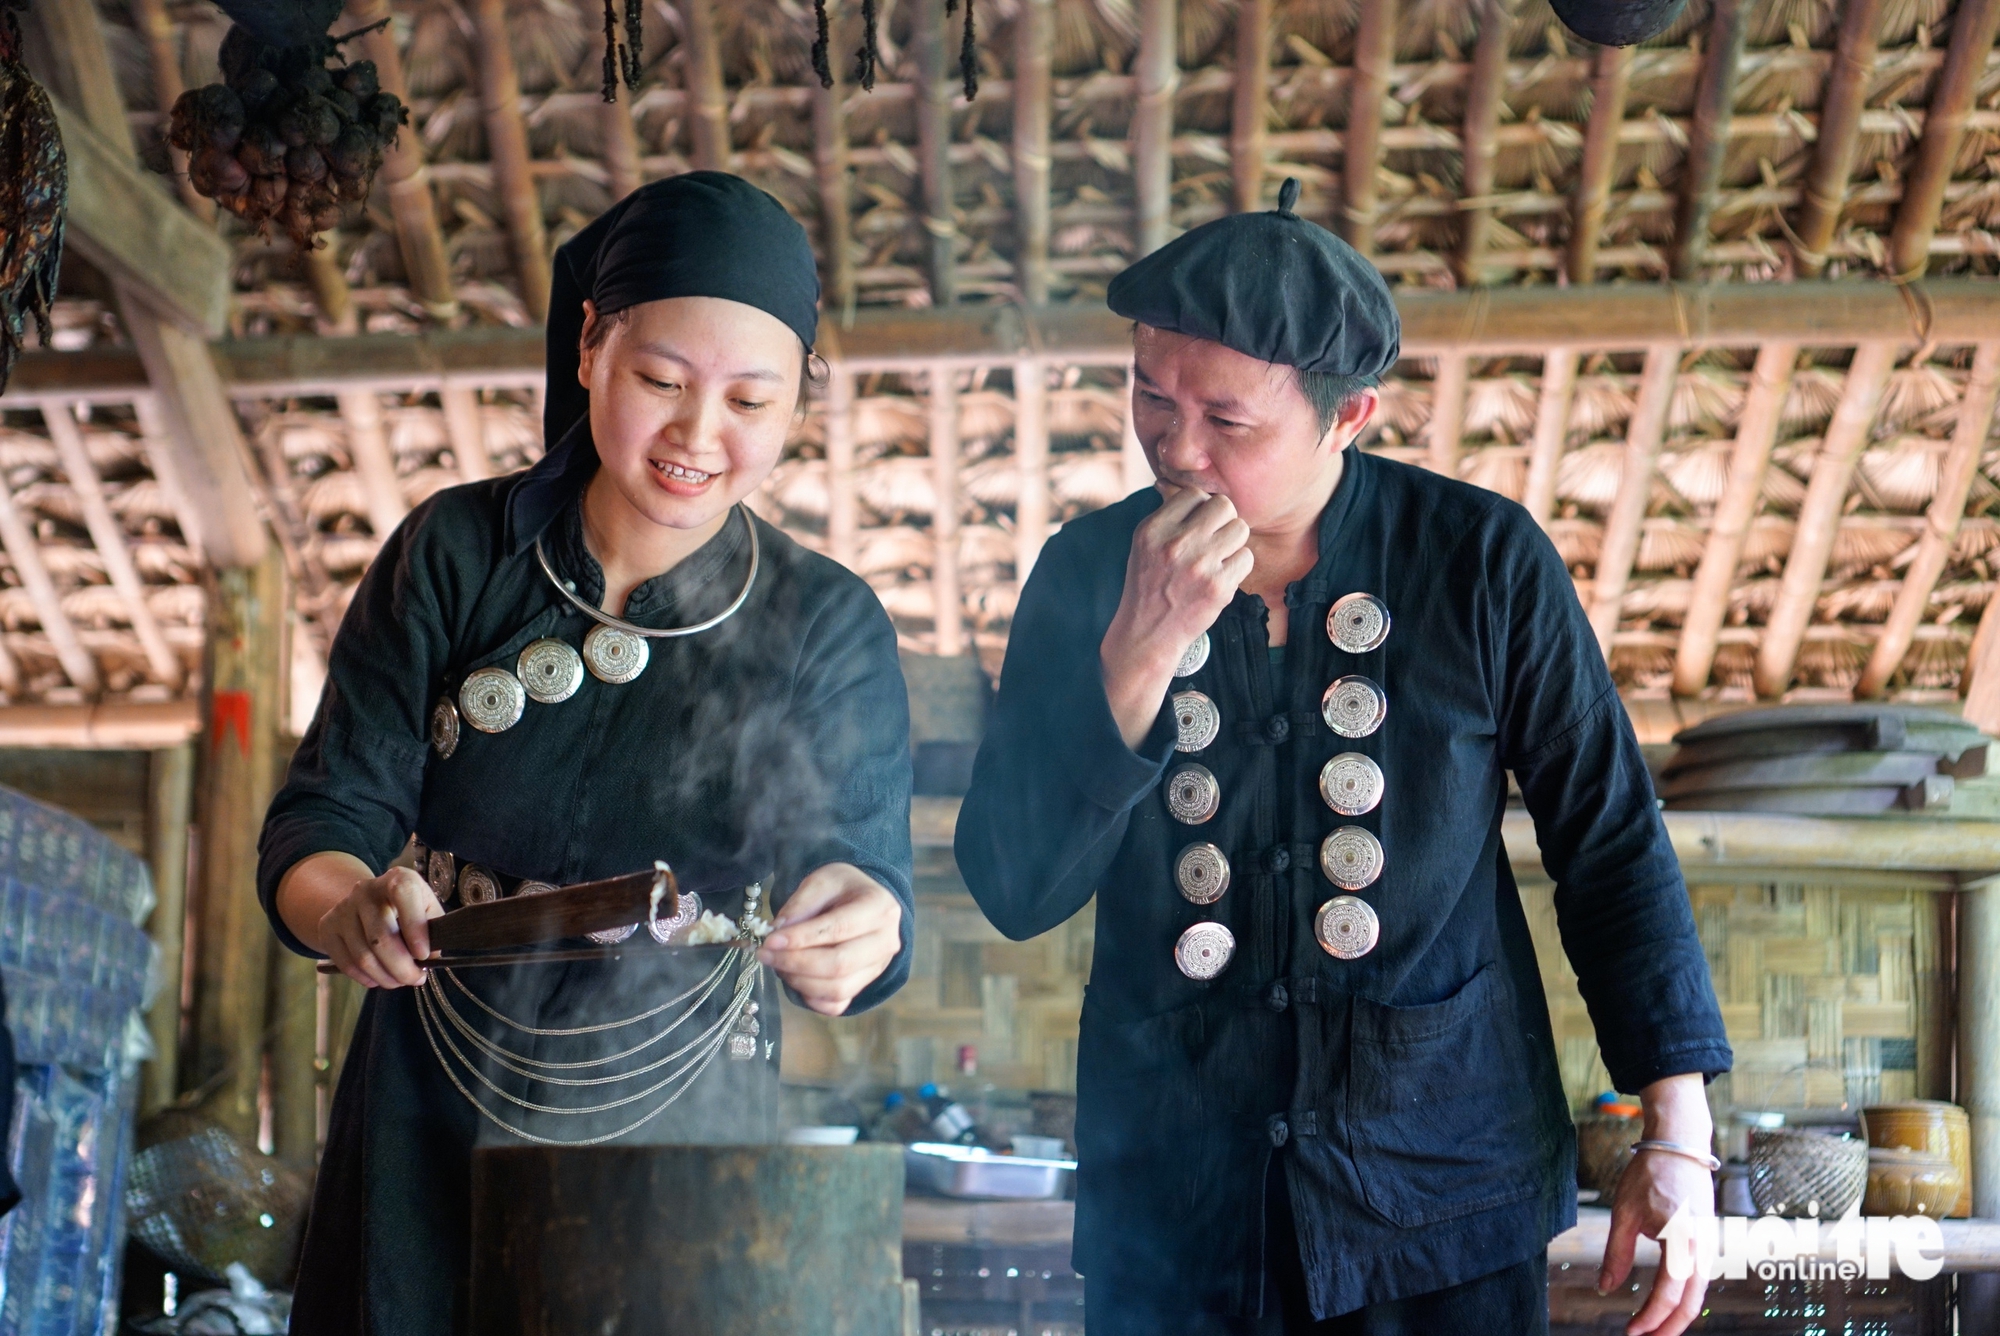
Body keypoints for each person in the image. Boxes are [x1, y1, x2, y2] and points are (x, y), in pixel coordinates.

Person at [955, 179, 1732, 1336]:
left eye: (1228, 423)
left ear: (1347, 416)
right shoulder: (1083, 575)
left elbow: (1609, 840)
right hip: (1174, 1213)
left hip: (1436, 1198)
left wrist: (1676, 1135)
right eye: (1148, 396)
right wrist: (1137, 653)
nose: (1175, 447)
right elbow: (1015, 885)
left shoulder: (1478, 562)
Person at [258, 172, 914, 1336]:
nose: (696, 437)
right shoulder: (458, 554)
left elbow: (861, 873)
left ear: (796, 408)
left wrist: (859, 921)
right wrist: (349, 903)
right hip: (430, 1090)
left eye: (749, 402)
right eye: (659, 380)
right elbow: (324, 816)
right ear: (589, 351)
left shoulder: (823, 621)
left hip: (677, 1106)